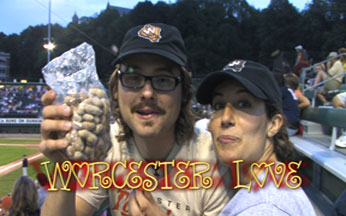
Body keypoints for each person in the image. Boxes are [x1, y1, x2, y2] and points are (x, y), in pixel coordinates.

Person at [40, 23, 232, 216]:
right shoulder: (107, 147)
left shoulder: (212, 161)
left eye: (163, 79)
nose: (147, 92)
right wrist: (64, 171)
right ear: (115, 91)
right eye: (133, 78)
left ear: (183, 93)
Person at [196, 59, 316, 215]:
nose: (225, 118)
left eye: (243, 104)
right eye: (218, 106)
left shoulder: (265, 209)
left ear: (273, 124)